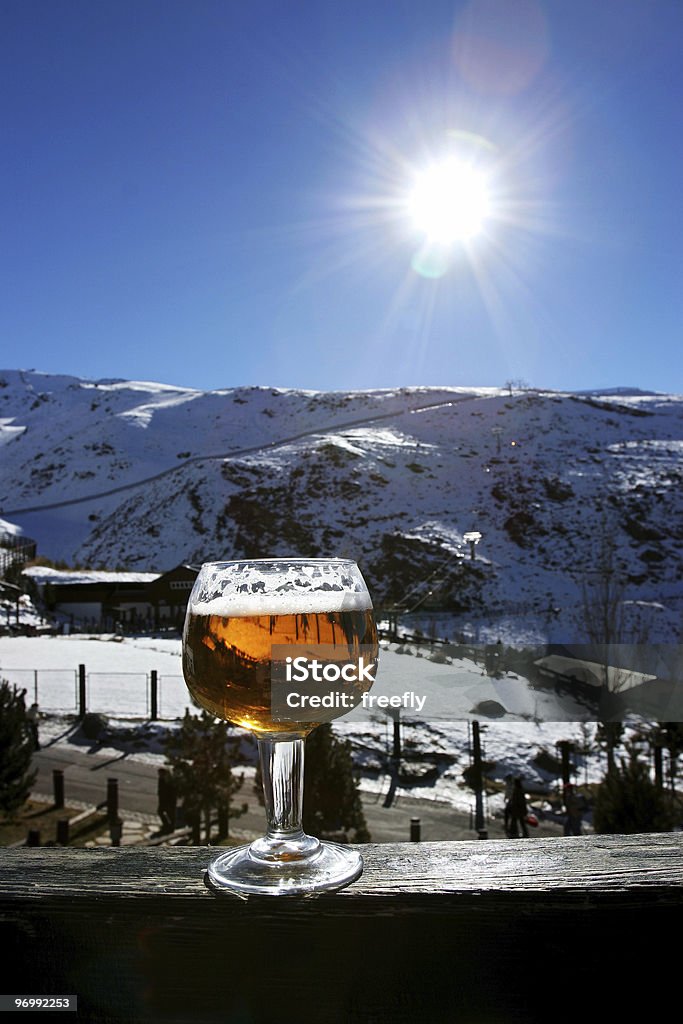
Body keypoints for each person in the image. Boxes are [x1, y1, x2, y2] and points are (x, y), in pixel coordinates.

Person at [157, 768, 178, 834]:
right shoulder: (161, 779)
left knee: (170, 813)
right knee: (160, 812)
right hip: (163, 799)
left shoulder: (170, 781)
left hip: (169, 800)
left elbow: (173, 791)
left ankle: (170, 826)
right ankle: (167, 825)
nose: (159, 775)